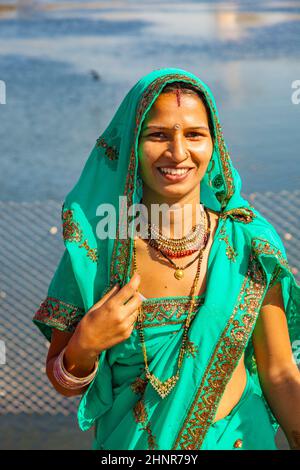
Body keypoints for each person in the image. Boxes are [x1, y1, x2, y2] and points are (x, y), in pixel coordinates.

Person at [32, 67, 300, 450]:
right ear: (131, 146)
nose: (178, 152)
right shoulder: (98, 252)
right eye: (157, 135)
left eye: (195, 135)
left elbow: (280, 375)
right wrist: (85, 346)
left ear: (214, 145)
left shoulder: (248, 243)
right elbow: (62, 380)